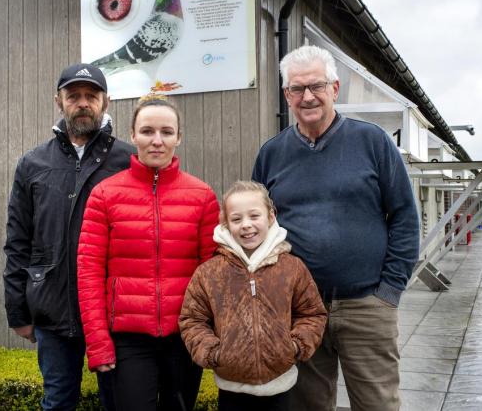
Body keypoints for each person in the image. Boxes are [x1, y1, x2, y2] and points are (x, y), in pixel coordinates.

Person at [252, 45, 421, 411]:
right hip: (299, 309)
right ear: (286, 95)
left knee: (378, 404)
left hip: (366, 305)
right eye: (297, 89)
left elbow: (405, 217)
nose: (307, 96)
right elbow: (259, 228)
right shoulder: (271, 154)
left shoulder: (372, 142)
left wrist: (389, 291)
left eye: (317, 86)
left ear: (335, 88)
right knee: (306, 405)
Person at [77, 94, 220, 411]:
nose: (157, 141)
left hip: (185, 336)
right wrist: (98, 343)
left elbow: (214, 274)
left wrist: (210, 335)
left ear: (179, 137)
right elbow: (88, 273)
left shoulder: (203, 196)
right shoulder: (104, 195)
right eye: (147, 131)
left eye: (167, 132)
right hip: (127, 340)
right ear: (133, 135)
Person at [3, 63, 134, 410]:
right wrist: (19, 311)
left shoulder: (128, 160)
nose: (82, 103)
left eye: (91, 96)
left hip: (113, 311)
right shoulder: (32, 163)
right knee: (58, 401)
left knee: (119, 401)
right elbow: (18, 240)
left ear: (106, 102)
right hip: (52, 309)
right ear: (58, 101)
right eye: (73, 96)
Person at [179, 180, 327, 411]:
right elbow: (192, 320)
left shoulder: (292, 268)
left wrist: (295, 346)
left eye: (254, 216)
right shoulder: (210, 273)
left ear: (270, 216)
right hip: (231, 390)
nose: (246, 225)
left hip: (281, 387)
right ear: (226, 224)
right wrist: (213, 353)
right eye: (237, 219)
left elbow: (312, 313)